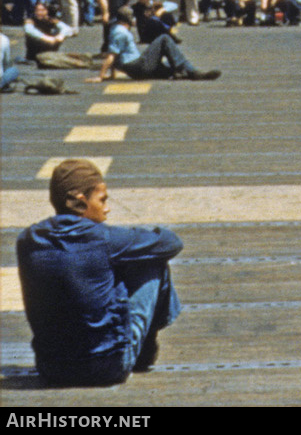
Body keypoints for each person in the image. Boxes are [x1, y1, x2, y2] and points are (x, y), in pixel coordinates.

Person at [15, 159, 183, 385]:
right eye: (102, 200)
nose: (107, 208)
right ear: (81, 201)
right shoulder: (103, 238)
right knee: (153, 263)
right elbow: (171, 242)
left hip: (51, 369)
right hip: (107, 368)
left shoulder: (27, 240)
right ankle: (143, 352)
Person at [89, 11, 218, 82]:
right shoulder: (120, 33)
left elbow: (115, 54)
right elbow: (111, 56)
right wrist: (100, 77)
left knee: (168, 68)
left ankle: (190, 73)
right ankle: (192, 71)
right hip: (137, 66)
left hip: (134, 69)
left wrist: (112, 75)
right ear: (127, 20)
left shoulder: (115, 30)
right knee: (164, 39)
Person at [24, 1, 92, 69]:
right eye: (37, 10)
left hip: (51, 51)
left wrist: (61, 35)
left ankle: (83, 59)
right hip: (36, 55)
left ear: (47, 11)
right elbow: (29, 30)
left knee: (59, 33)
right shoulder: (31, 20)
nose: (39, 13)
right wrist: (45, 38)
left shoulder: (51, 20)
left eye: (42, 10)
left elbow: (67, 29)